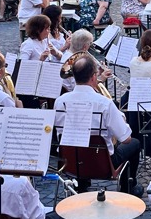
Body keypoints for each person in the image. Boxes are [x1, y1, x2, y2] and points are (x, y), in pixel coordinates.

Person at [54, 54, 143, 195]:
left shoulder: (59, 101)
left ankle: (82, 184)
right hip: (102, 164)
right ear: (94, 77)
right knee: (135, 143)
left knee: (80, 142)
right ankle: (128, 188)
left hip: (70, 162)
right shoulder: (104, 103)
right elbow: (126, 139)